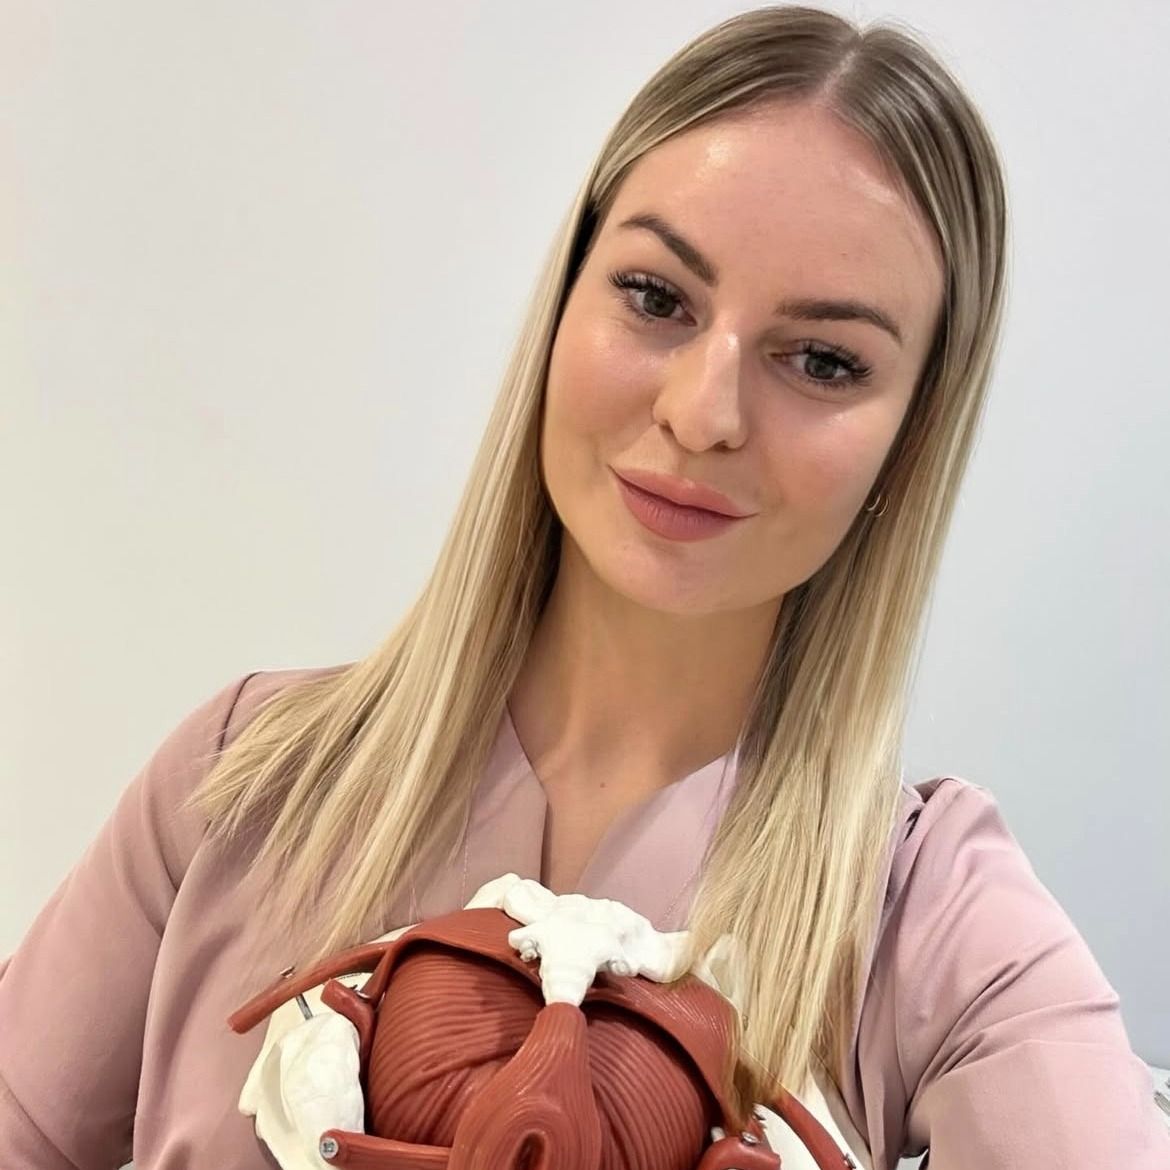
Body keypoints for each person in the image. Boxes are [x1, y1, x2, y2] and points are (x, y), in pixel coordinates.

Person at [1, 5, 1165, 1169]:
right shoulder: (243, 782)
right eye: (657, 298)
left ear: (908, 441)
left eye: (822, 360)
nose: (702, 414)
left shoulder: (931, 920)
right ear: (564, 303)